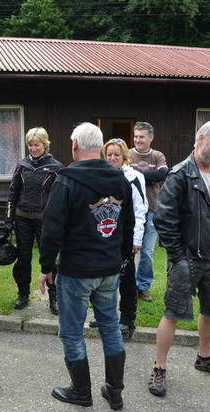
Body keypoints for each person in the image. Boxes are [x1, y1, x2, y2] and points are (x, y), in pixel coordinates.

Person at [38, 123, 134, 410]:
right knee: (110, 327)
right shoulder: (119, 179)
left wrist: (45, 266)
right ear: (101, 148)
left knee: (72, 331)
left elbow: (52, 228)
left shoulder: (66, 180)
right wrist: (121, 258)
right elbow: (127, 225)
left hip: (76, 270)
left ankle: (81, 392)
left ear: (75, 146)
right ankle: (115, 391)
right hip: (108, 268)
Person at [149, 121, 210, 397]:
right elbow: (164, 218)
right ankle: (159, 367)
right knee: (173, 312)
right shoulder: (180, 174)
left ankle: (204, 358)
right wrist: (178, 257)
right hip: (187, 258)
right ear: (200, 138)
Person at [88, 138, 147, 340]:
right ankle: (104, 316)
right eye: (109, 155)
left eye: (116, 155)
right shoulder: (98, 176)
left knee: (126, 279)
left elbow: (140, 210)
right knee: (102, 279)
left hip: (126, 237)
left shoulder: (134, 177)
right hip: (105, 236)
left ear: (124, 157)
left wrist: (136, 239)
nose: (112, 158)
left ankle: (127, 320)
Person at [5, 127, 63, 313]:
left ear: (45, 144)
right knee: (23, 258)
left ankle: (54, 297)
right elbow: (12, 193)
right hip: (22, 218)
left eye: (36, 145)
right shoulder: (22, 165)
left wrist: (59, 221)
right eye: (30, 145)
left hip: (45, 221)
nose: (33, 148)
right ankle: (23, 294)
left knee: (50, 258)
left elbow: (60, 197)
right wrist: (8, 220)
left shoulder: (55, 167)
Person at [127, 122, 168, 302]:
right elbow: (123, 175)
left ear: (151, 137)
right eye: (135, 136)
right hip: (131, 212)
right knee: (129, 250)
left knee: (147, 253)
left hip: (152, 211)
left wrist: (136, 176)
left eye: (141, 137)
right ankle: (127, 285)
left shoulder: (157, 156)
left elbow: (163, 174)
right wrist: (149, 178)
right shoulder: (128, 154)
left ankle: (143, 287)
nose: (138, 140)